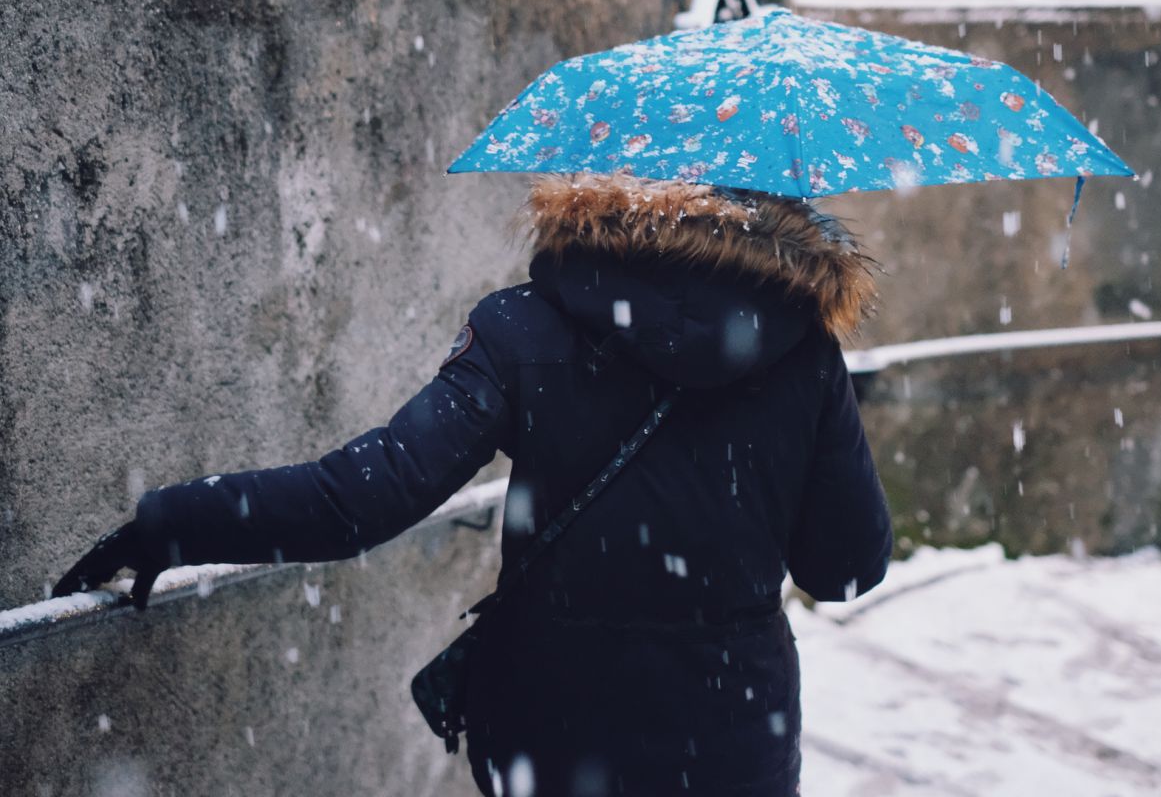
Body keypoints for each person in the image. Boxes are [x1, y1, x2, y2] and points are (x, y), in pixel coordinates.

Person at [54, 173, 893, 797]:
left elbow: (361, 498)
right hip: (730, 737)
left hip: (553, 728)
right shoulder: (802, 353)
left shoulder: (529, 322)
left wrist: (171, 522)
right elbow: (846, 569)